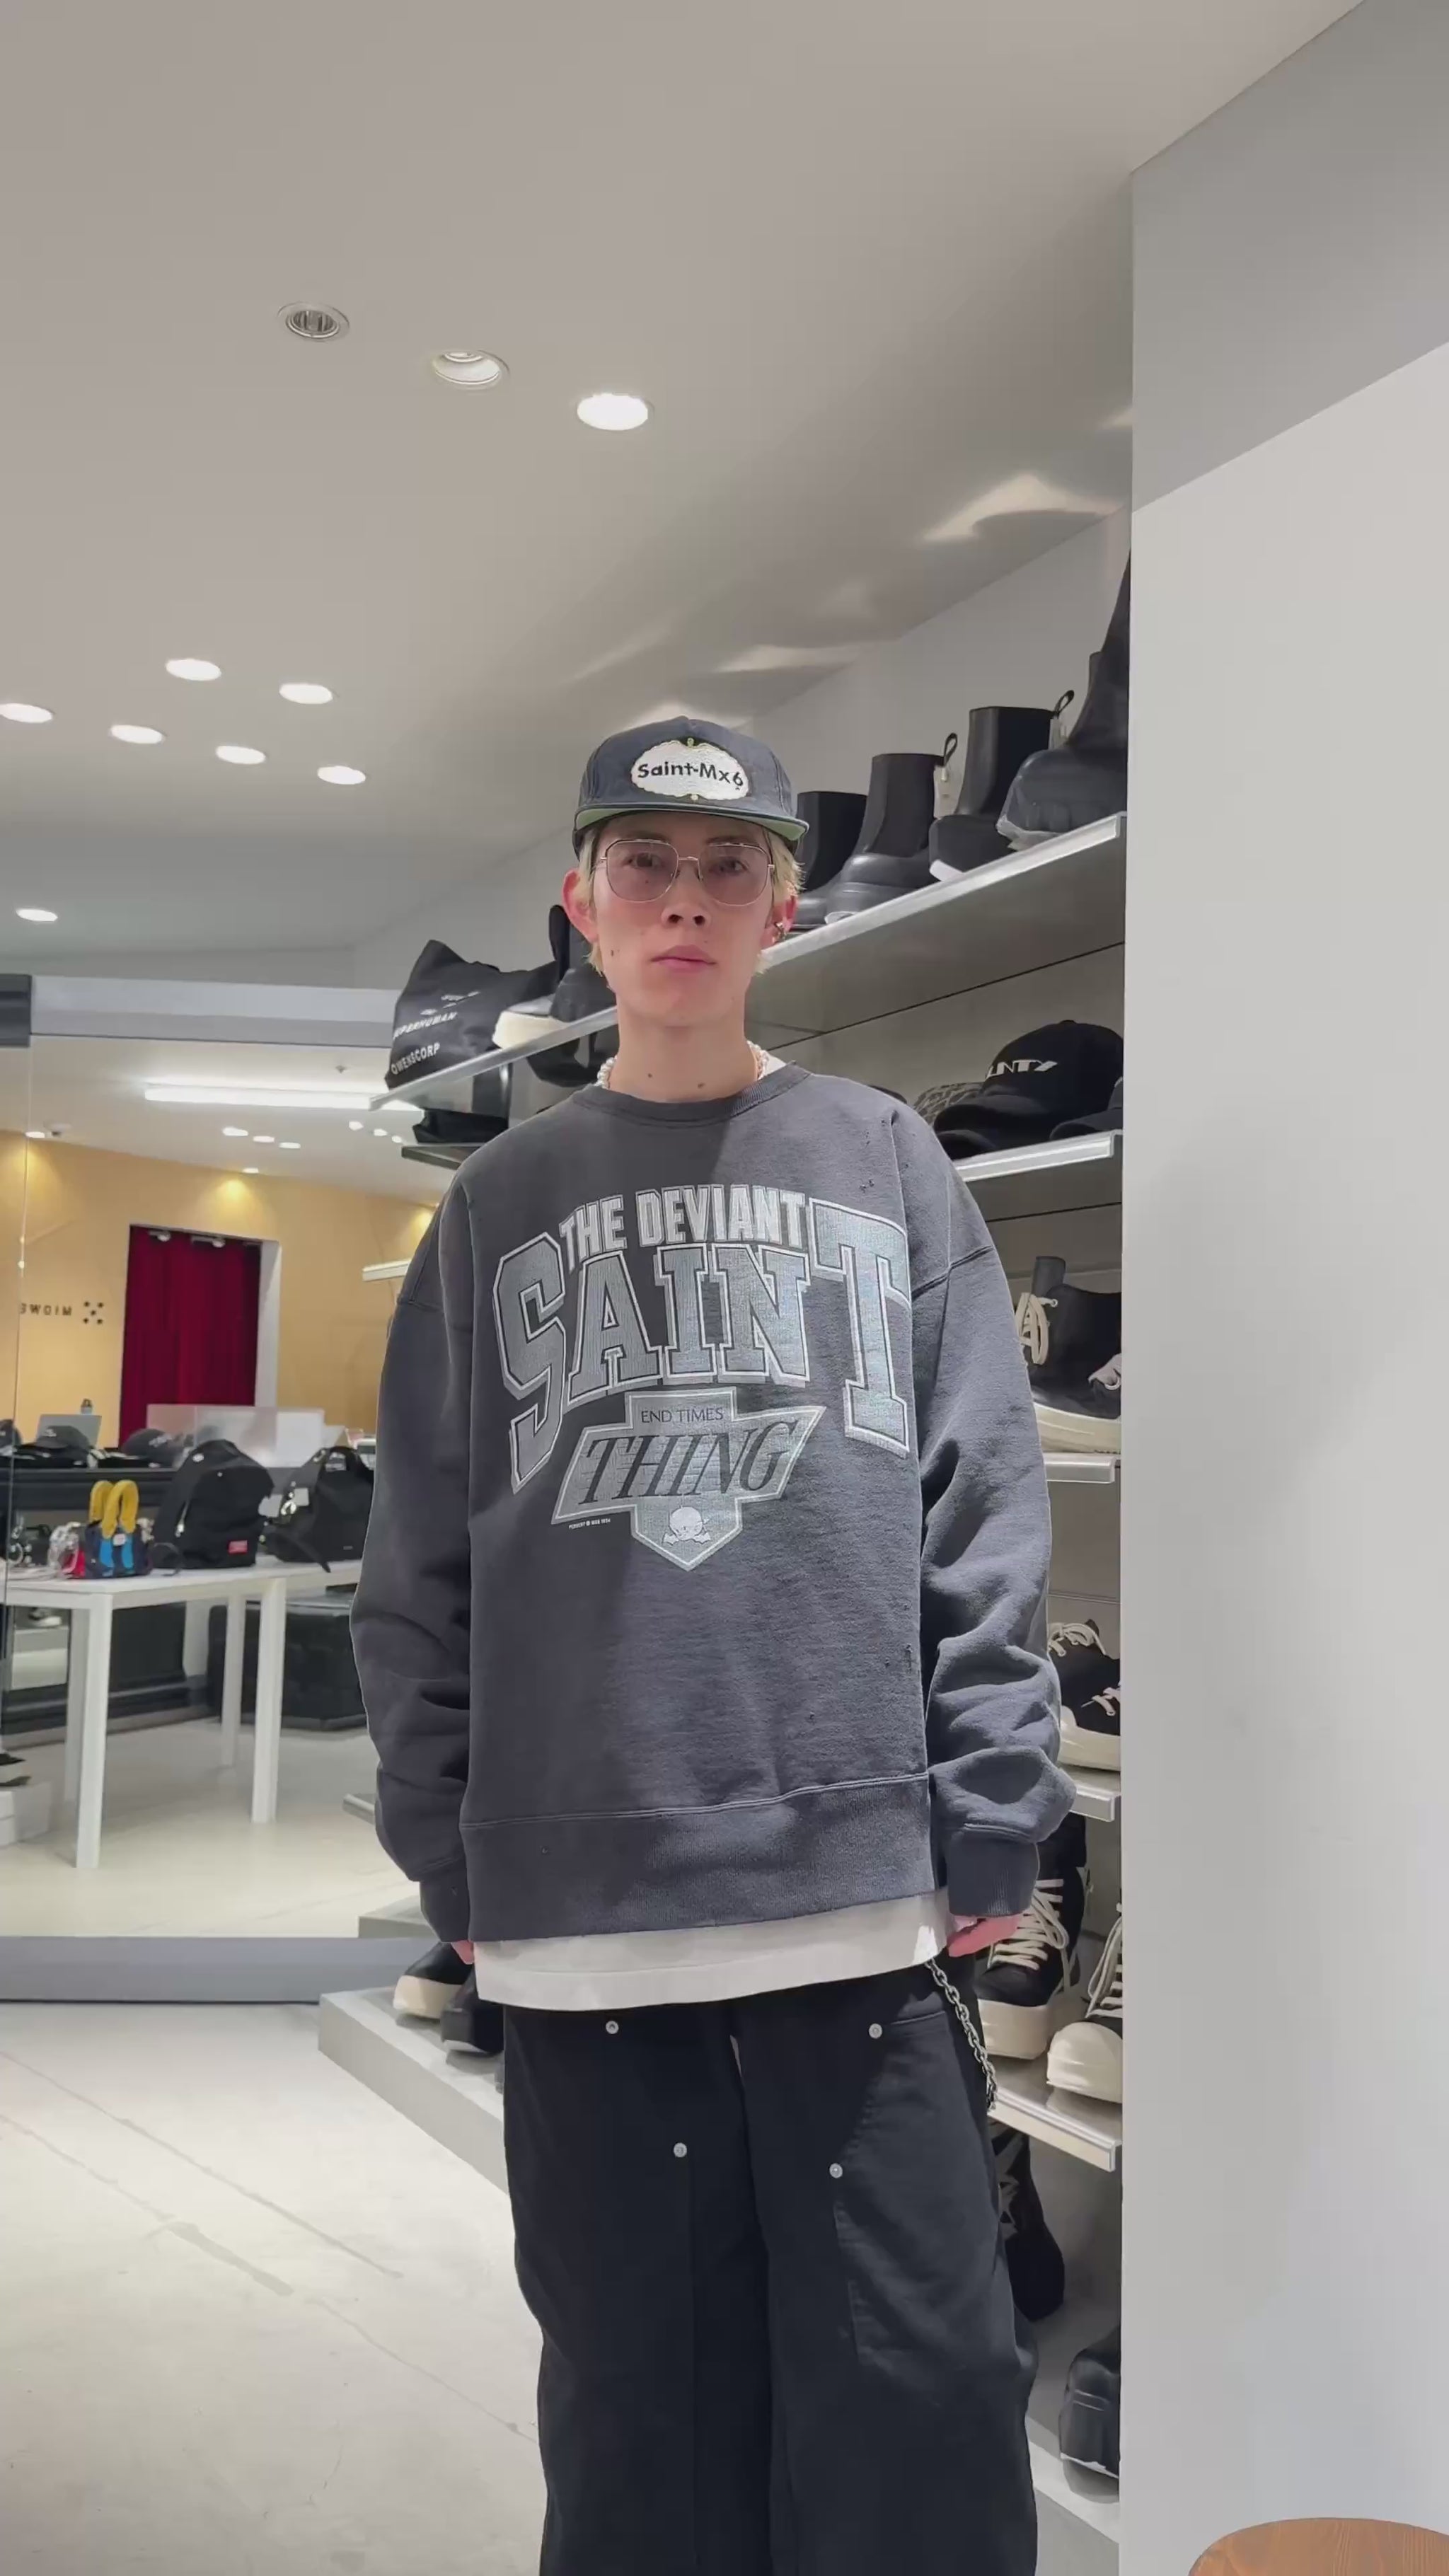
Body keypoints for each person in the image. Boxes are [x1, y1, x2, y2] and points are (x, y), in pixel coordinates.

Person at [353, 716, 1072, 2576]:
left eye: (727, 868)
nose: (685, 902)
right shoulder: (497, 1204)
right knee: (646, 2452)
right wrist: (447, 1843)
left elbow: (981, 1496)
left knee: (919, 2430)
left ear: (782, 908)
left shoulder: (885, 1158)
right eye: (646, 868)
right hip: (587, 1926)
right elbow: (417, 1556)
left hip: (860, 1911)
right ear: (582, 907)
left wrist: (996, 1804)